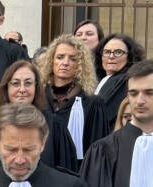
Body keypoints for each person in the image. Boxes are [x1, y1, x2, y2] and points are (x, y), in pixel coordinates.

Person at [0, 61, 79, 172]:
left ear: (36, 87)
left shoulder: (54, 124)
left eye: (28, 83)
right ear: (6, 87)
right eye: (15, 83)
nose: (22, 89)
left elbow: (64, 173)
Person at [41, 34, 110, 165]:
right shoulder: (37, 98)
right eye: (60, 57)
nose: (65, 63)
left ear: (80, 64)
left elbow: (97, 152)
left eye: (73, 58)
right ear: (51, 61)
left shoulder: (92, 104)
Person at [94, 33, 146, 128]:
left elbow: (102, 116)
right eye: (107, 52)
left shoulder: (125, 81)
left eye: (118, 52)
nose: (111, 56)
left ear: (129, 57)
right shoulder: (103, 79)